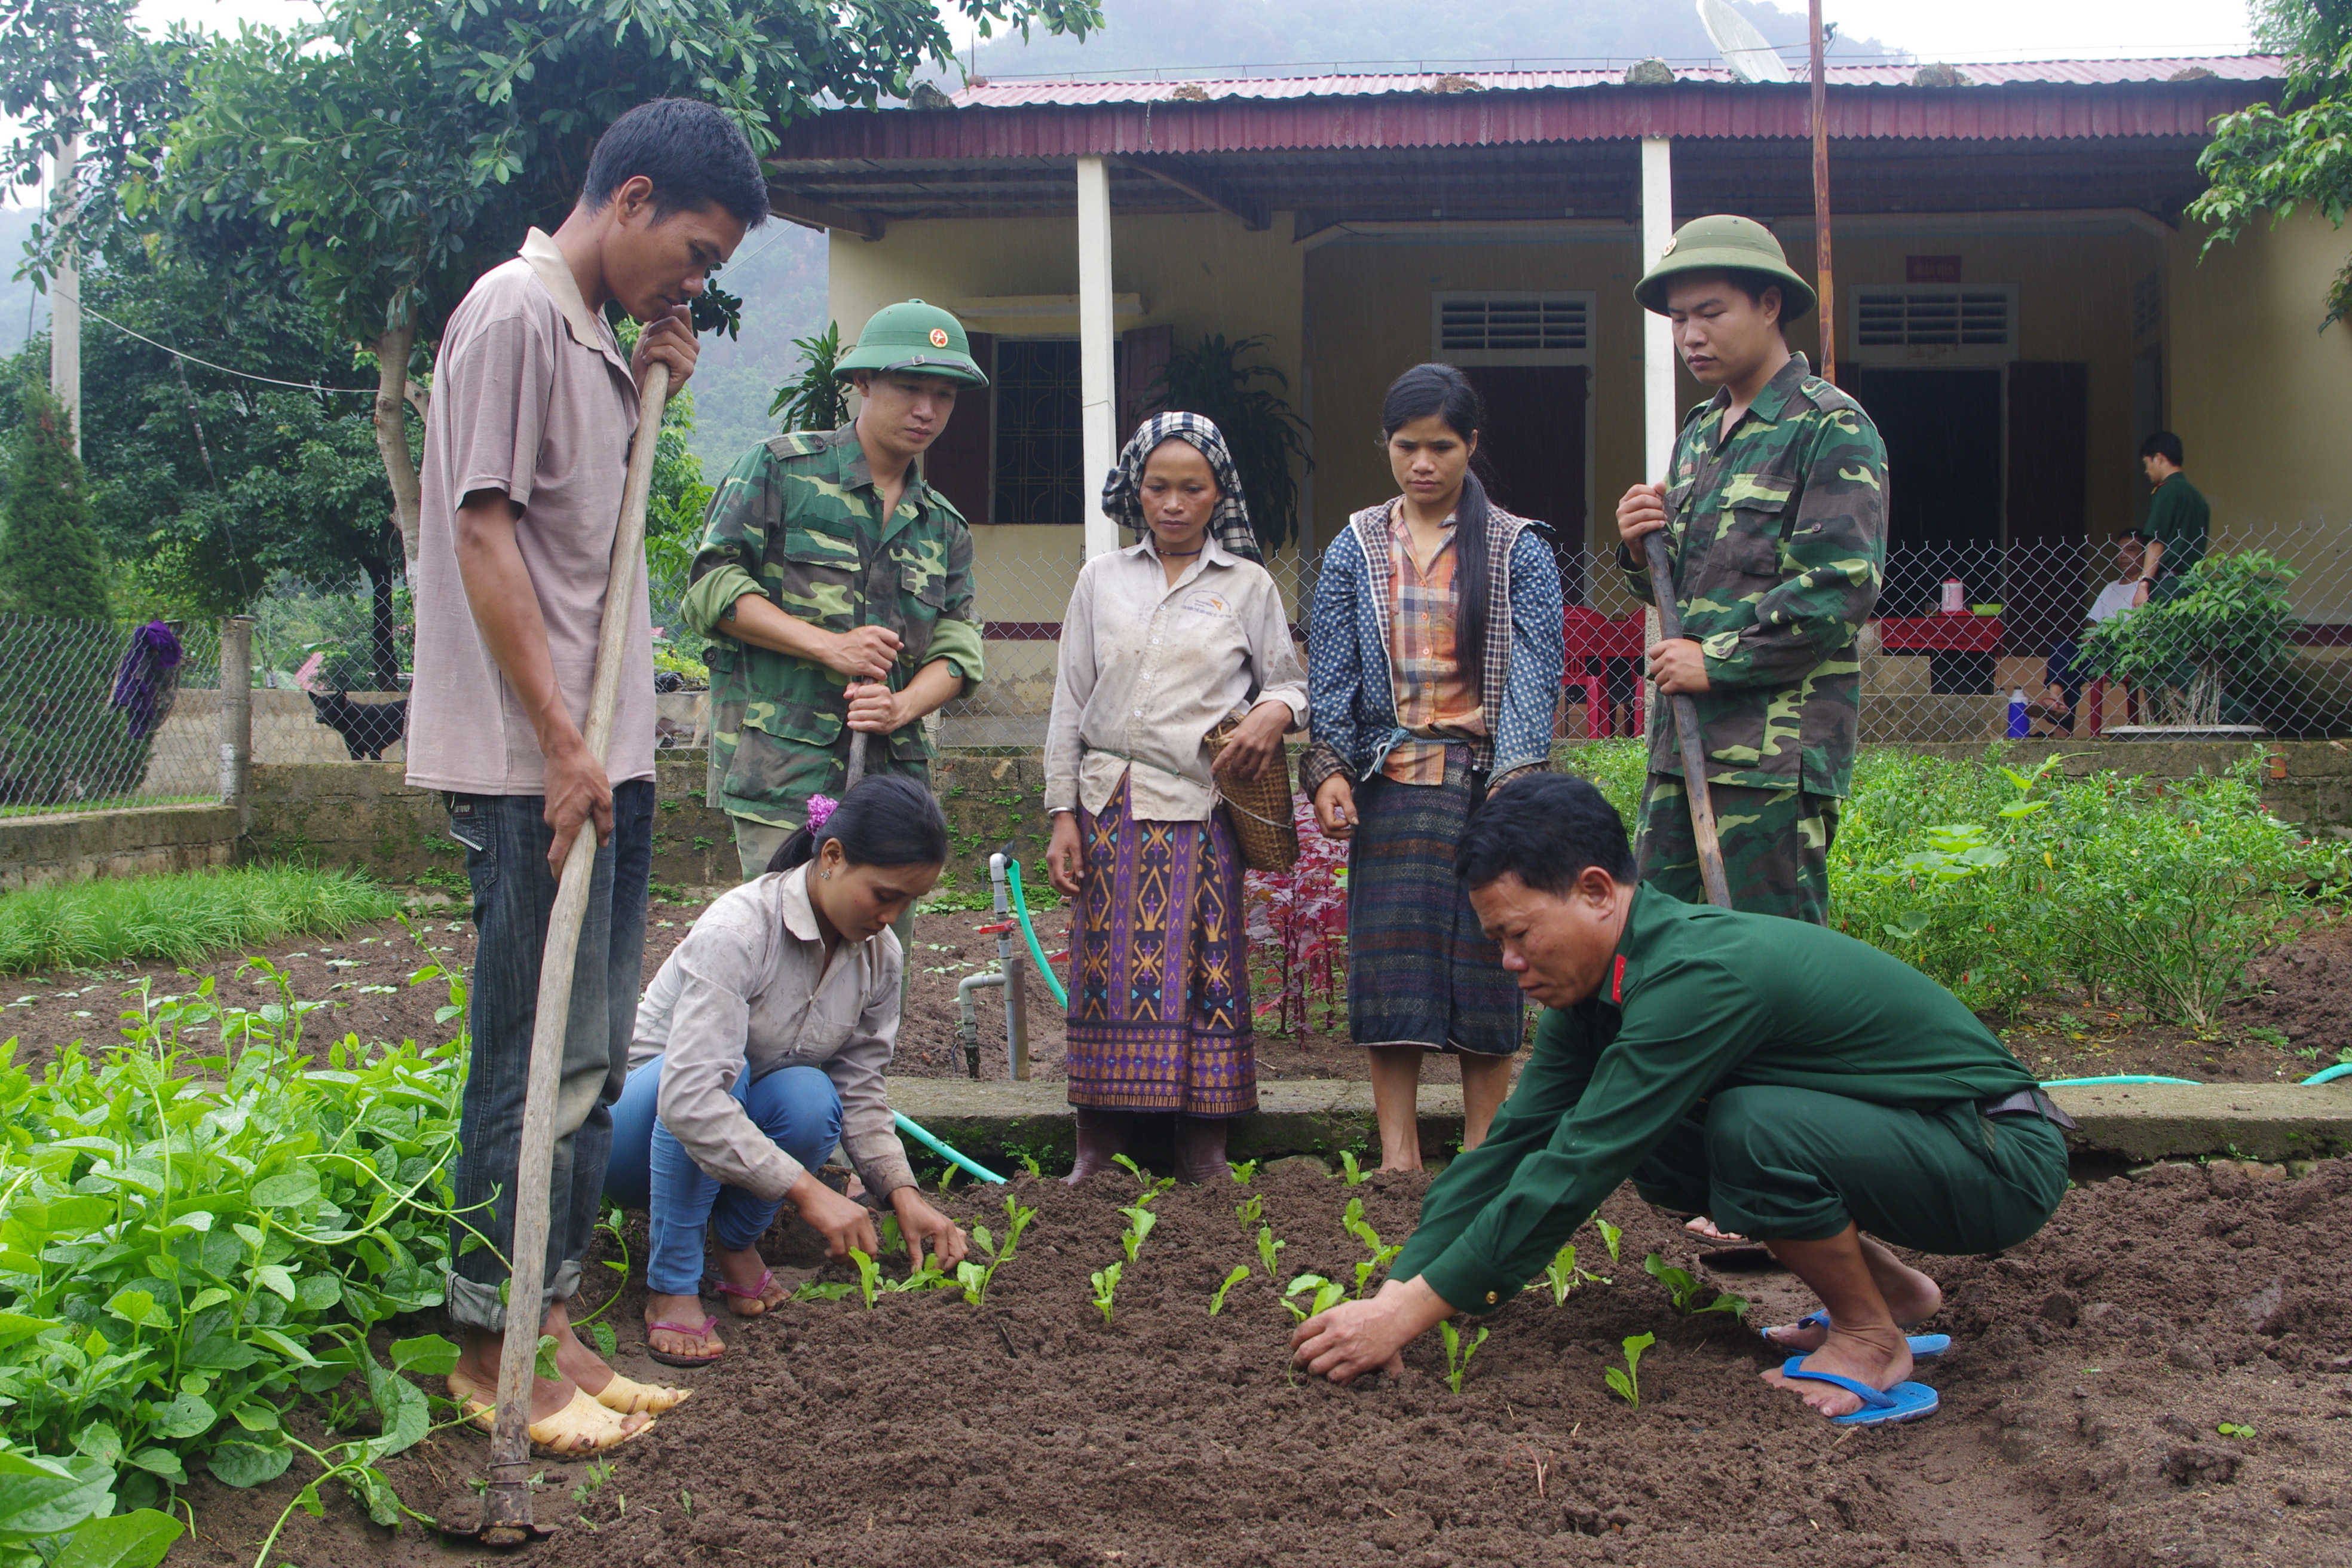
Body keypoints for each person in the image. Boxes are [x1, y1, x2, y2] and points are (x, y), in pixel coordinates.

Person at [1290, 774, 2072, 1428]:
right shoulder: (1594, 998)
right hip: (1921, 1141)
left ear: (1597, 892)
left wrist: (1410, 1315)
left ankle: (1870, 1336)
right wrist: (1398, 1294)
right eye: (1498, 941)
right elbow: (1508, 1151)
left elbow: (1575, 1171)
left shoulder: (1696, 976)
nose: (1509, 962)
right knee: (1666, 1152)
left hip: (1997, 1158)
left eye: (1520, 934)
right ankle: (1893, 1292)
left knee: (1748, 1130)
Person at [405, 99, 767, 1454]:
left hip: (601, 757)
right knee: (523, 1061)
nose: (698, 278)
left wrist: (655, 367)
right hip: (531, 763)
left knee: (586, 1067)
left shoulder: (595, 339)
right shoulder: (512, 312)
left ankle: (547, 1320)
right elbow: (485, 536)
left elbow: (583, 549)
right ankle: (484, 1343)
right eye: (692, 249)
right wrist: (559, 738)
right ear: (628, 198)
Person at [605, 776, 969, 1366]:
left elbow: (862, 1087)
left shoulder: (880, 956)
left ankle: (735, 1244)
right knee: (726, 1076)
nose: (891, 915)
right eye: (883, 893)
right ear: (831, 856)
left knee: (811, 1094)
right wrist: (808, 1194)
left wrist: (903, 1193)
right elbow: (691, 1099)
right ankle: (672, 1279)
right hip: (635, 1141)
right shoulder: (741, 931)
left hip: (727, 1132)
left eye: (908, 901)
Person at [1303, 365, 1565, 1172]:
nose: (1424, 462)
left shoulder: (1517, 547)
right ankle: (1398, 1158)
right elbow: (1334, 674)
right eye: (1408, 445)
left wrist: (1517, 778)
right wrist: (1331, 770)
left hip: (1488, 783)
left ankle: (1486, 1153)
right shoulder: (1355, 545)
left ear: (1471, 446)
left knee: (1492, 966)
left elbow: (1535, 667)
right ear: (1386, 445)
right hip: (1391, 787)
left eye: (1442, 446)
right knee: (1394, 969)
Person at [1042, 413, 1308, 1184]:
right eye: (1158, 486)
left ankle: (1205, 1152)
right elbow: (1069, 703)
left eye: (1193, 487)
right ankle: (1097, 1150)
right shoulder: (1101, 579)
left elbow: (1289, 680)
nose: (1174, 502)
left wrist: (1271, 712)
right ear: (1137, 489)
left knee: (1206, 967)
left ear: (1218, 492)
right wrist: (1064, 812)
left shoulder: (1247, 585)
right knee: (1105, 967)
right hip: (1109, 806)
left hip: (1202, 808)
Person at [1612, 215, 1888, 927]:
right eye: (1678, 319)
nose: (1691, 336)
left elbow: (1839, 588)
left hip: (1772, 755)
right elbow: (1687, 587)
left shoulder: (1829, 426)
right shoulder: (1701, 434)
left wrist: (1717, 661)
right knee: (1663, 947)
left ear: (1770, 306)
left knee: (1770, 963)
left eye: (1711, 312)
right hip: (1684, 740)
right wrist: (1643, 548)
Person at [2030, 532, 2147, 735]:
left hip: (2125, 650)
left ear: (2146, 554)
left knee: (2071, 665)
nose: (2123, 555)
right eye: (2119, 550)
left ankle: (2059, 720)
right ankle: (2057, 700)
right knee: (2063, 648)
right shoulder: (2110, 588)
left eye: (2131, 549)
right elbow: (2092, 624)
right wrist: (2090, 638)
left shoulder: (2145, 589)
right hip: (2098, 650)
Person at [2136, 431, 2208, 607]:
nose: (2146, 471)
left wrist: (2143, 583)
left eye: (2147, 463)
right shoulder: (2198, 498)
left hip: (2167, 586)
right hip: (2193, 587)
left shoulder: (2167, 491)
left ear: (2159, 458)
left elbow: (2157, 542)